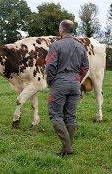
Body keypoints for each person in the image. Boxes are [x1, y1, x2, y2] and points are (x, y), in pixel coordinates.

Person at [45, 20, 89, 156]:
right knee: (70, 116)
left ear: (61, 30)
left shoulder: (56, 45)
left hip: (59, 83)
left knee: (55, 114)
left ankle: (68, 148)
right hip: (75, 84)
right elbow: (85, 67)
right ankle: (66, 149)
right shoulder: (81, 47)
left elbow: (50, 66)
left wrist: (51, 81)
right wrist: (77, 80)